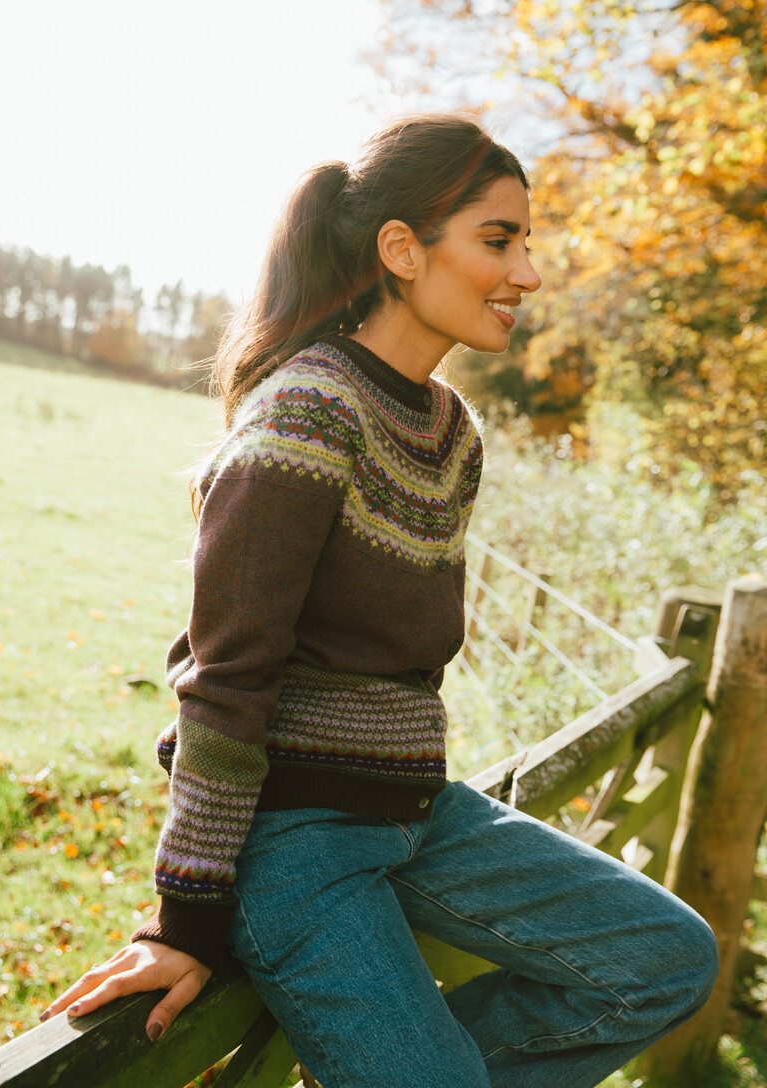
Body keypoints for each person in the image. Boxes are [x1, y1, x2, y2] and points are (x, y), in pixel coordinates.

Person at [39, 112, 718, 1088]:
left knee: (664, 962)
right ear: (400, 250)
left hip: (419, 812)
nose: (526, 273)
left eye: (525, 243)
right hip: (295, 843)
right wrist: (184, 919)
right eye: (497, 240)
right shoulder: (306, 415)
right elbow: (222, 683)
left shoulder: (450, 431)